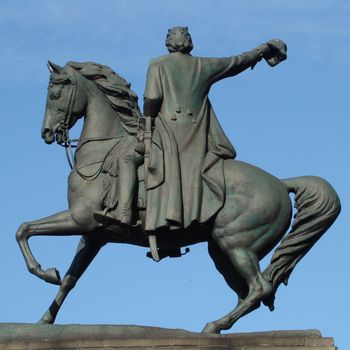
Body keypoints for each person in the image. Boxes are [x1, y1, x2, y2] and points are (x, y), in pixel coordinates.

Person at [143, 26, 286, 232]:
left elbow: (152, 98)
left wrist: (147, 116)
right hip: (197, 131)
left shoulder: (157, 64)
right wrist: (262, 50)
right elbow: (236, 62)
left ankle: (151, 217)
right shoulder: (203, 65)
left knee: (145, 162)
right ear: (189, 42)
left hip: (166, 129)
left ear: (168, 43)